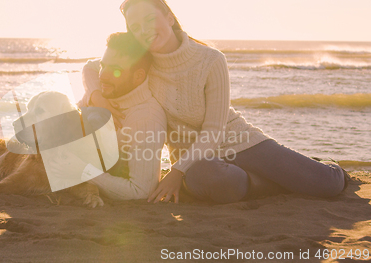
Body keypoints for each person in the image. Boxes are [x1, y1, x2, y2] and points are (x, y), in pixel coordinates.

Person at [82, 0, 349, 204]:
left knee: (326, 186)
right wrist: (97, 97)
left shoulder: (210, 60)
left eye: (149, 19)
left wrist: (175, 172)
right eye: (135, 27)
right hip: (197, 162)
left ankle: (326, 168)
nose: (144, 31)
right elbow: (92, 68)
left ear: (169, 16)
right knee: (204, 180)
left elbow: (214, 131)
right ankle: (266, 183)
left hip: (241, 143)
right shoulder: (144, 63)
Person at [67, 32, 167, 200]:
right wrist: (96, 96)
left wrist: (82, 170)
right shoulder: (103, 91)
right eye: (103, 65)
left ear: (138, 76)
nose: (102, 75)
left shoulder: (145, 119)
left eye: (116, 70)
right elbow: (89, 66)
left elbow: (140, 192)